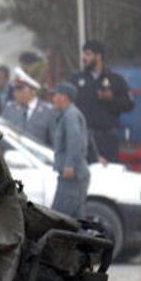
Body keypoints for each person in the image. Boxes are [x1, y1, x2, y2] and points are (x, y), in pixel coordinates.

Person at [69, 40, 134, 162]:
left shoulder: (115, 79)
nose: (84, 58)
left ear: (98, 56)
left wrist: (111, 99)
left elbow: (129, 105)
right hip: (83, 137)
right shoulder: (76, 79)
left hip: (107, 137)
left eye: (88, 54)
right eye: (84, 54)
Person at [50, 82, 91, 219]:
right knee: (75, 220)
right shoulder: (68, 114)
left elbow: (75, 141)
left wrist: (70, 165)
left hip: (72, 176)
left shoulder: (71, 115)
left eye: (55, 95)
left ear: (64, 97)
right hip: (74, 176)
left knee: (59, 217)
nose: (53, 98)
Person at [0, 72, 56, 146]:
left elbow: (55, 141)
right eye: (15, 90)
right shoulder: (9, 109)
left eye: (20, 89)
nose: (15, 93)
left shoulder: (48, 111)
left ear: (33, 91)